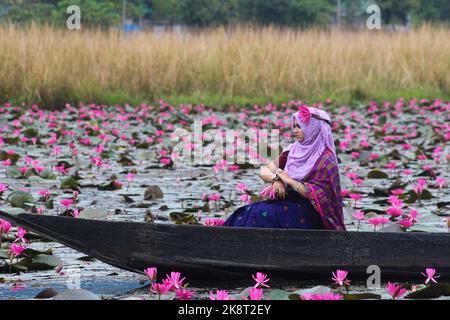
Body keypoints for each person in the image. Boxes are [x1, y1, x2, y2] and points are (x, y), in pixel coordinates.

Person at [223, 106, 346, 231]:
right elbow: (264, 171)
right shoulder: (292, 151)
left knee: (262, 215)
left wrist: (289, 181)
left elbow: (322, 195)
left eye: (300, 127)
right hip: (286, 204)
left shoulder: (326, 159)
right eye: (295, 126)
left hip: (310, 212)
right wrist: (276, 179)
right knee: (245, 212)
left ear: (313, 128)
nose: (295, 131)